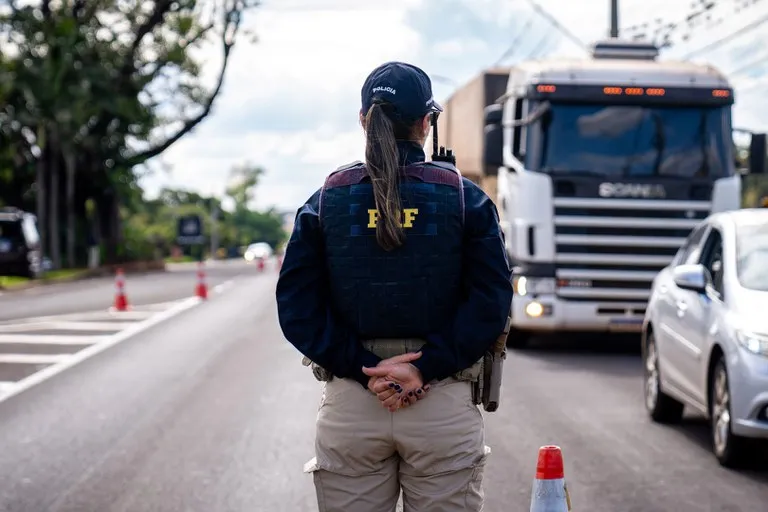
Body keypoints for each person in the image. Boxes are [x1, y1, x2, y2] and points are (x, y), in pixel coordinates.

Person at [276, 61, 514, 512]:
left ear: (364, 120)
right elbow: (492, 301)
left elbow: (297, 308)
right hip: (441, 402)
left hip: (352, 403)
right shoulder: (468, 199)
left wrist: (366, 369)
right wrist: (423, 368)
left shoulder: (324, 200)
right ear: (426, 124)